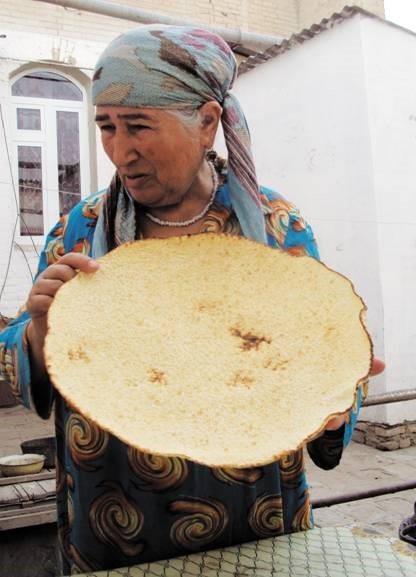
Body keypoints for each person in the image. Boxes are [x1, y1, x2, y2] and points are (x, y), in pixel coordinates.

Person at [0, 25, 384, 575]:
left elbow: (320, 358)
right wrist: (38, 331)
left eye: (137, 126)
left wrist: (334, 401)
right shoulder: (82, 229)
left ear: (206, 122)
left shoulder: (273, 229)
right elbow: (19, 351)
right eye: (105, 127)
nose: (119, 151)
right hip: (115, 517)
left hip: (253, 519)